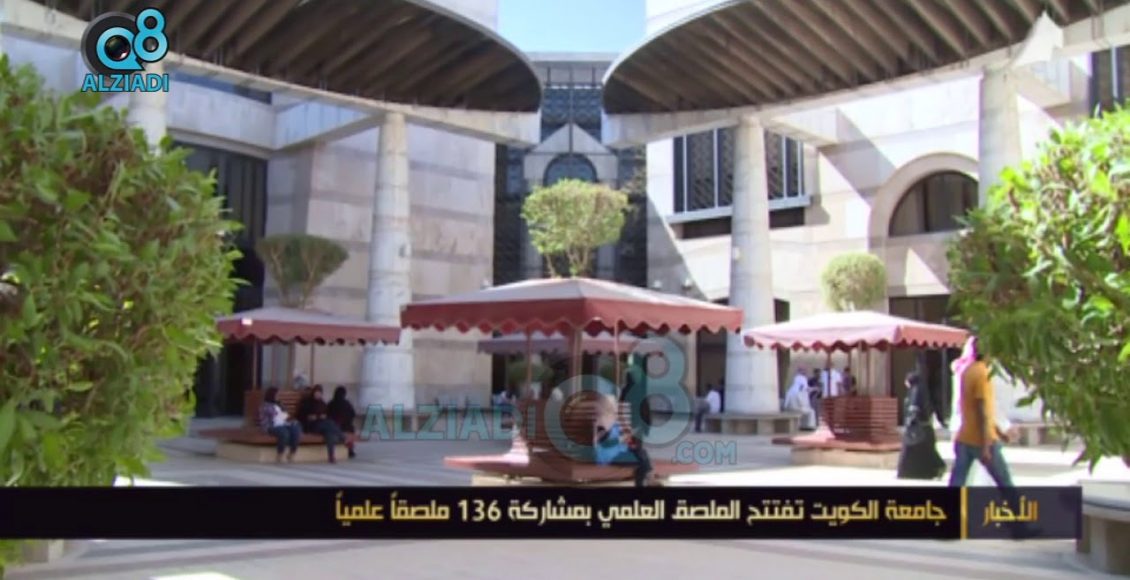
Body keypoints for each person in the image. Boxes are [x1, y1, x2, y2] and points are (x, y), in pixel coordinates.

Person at [592, 395, 655, 487]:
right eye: (612, 404)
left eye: (614, 403)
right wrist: (621, 438)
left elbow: (619, 433)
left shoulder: (614, 418)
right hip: (609, 455)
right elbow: (605, 443)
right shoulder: (601, 421)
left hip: (619, 451)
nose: (615, 406)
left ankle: (648, 478)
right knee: (641, 461)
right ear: (605, 406)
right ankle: (647, 479)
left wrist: (629, 434)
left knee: (641, 453)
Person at [896, 372, 946, 480]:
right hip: (925, 428)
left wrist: (911, 422)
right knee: (927, 452)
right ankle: (932, 470)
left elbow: (914, 408)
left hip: (918, 428)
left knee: (915, 451)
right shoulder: (921, 391)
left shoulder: (916, 391)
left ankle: (910, 472)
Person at [297, 384, 346, 463]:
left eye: (320, 393)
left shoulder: (322, 403)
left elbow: (327, 414)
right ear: (313, 393)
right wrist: (309, 417)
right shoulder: (307, 403)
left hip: (322, 425)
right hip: (311, 426)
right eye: (316, 393)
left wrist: (323, 416)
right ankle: (341, 436)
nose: (318, 395)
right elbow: (300, 416)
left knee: (329, 433)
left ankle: (331, 456)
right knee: (329, 424)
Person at [258, 387, 301, 463]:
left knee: (295, 429)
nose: (278, 396)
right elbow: (274, 415)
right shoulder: (265, 405)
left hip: (282, 424)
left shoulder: (279, 404)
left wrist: (283, 411)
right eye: (277, 395)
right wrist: (282, 414)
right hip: (271, 426)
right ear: (272, 395)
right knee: (284, 432)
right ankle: (280, 454)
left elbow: (286, 414)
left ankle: (292, 453)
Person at [326, 385, 358, 459]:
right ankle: (350, 450)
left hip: (335, 425)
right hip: (346, 426)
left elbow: (328, 415)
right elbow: (353, 414)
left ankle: (347, 447)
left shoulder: (331, 403)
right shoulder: (347, 403)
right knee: (351, 430)